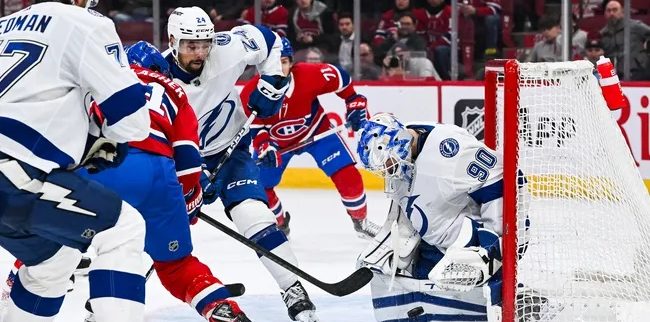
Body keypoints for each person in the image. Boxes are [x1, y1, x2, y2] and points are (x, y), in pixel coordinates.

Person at [163, 7, 318, 322]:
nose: (201, 52)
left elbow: (271, 40)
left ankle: (293, 288)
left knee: (255, 215)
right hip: (178, 163)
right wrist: (187, 175)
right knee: (156, 232)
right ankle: (105, 305)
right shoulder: (156, 79)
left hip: (232, 152)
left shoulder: (226, 48)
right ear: (173, 41)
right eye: (191, 45)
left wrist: (273, 80)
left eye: (205, 43)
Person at [0, 0, 151, 321]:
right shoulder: (85, 22)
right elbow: (133, 120)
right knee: (123, 230)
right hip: (13, 169)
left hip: (11, 174)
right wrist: (104, 136)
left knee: (54, 262)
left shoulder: (3, 27)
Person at [79, 41, 249, 322]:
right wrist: (189, 197)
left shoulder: (101, 80)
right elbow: (187, 157)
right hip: (154, 175)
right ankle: (220, 309)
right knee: (175, 265)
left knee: (54, 243)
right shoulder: (175, 90)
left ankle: (15, 292)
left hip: (99, 168)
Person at [356, 113, 517, 321]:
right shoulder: (405, 151)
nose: (387, 171)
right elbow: (411, 202)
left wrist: (492, 248)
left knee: (487, 307)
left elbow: (504, 178)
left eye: (387, 163)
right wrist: (389, 244)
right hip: (431, 248)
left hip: (465, 250)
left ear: (399, 144)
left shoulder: (450, 150)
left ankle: (521, 299)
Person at [239, 37, 378, 239]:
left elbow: (342, 79)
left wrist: (354, 100)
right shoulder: (250, 93)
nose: (279, 68)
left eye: (284, 61)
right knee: (260, 187)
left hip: (317, 132)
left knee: (347, 174)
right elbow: (257, 128)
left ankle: (361, 221)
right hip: (277, 143)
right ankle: (280, 222)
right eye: (273, 63)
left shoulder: (310, 76)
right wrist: (264, 147)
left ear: (291, 63)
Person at [600, 0, 650, 80]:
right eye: (609, 10)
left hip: (639, 72)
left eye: (615, 10)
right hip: (615, 75)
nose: (611, 13)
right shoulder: (603, 33)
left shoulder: (635, 26)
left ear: (622, 12)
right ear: (605, 14)